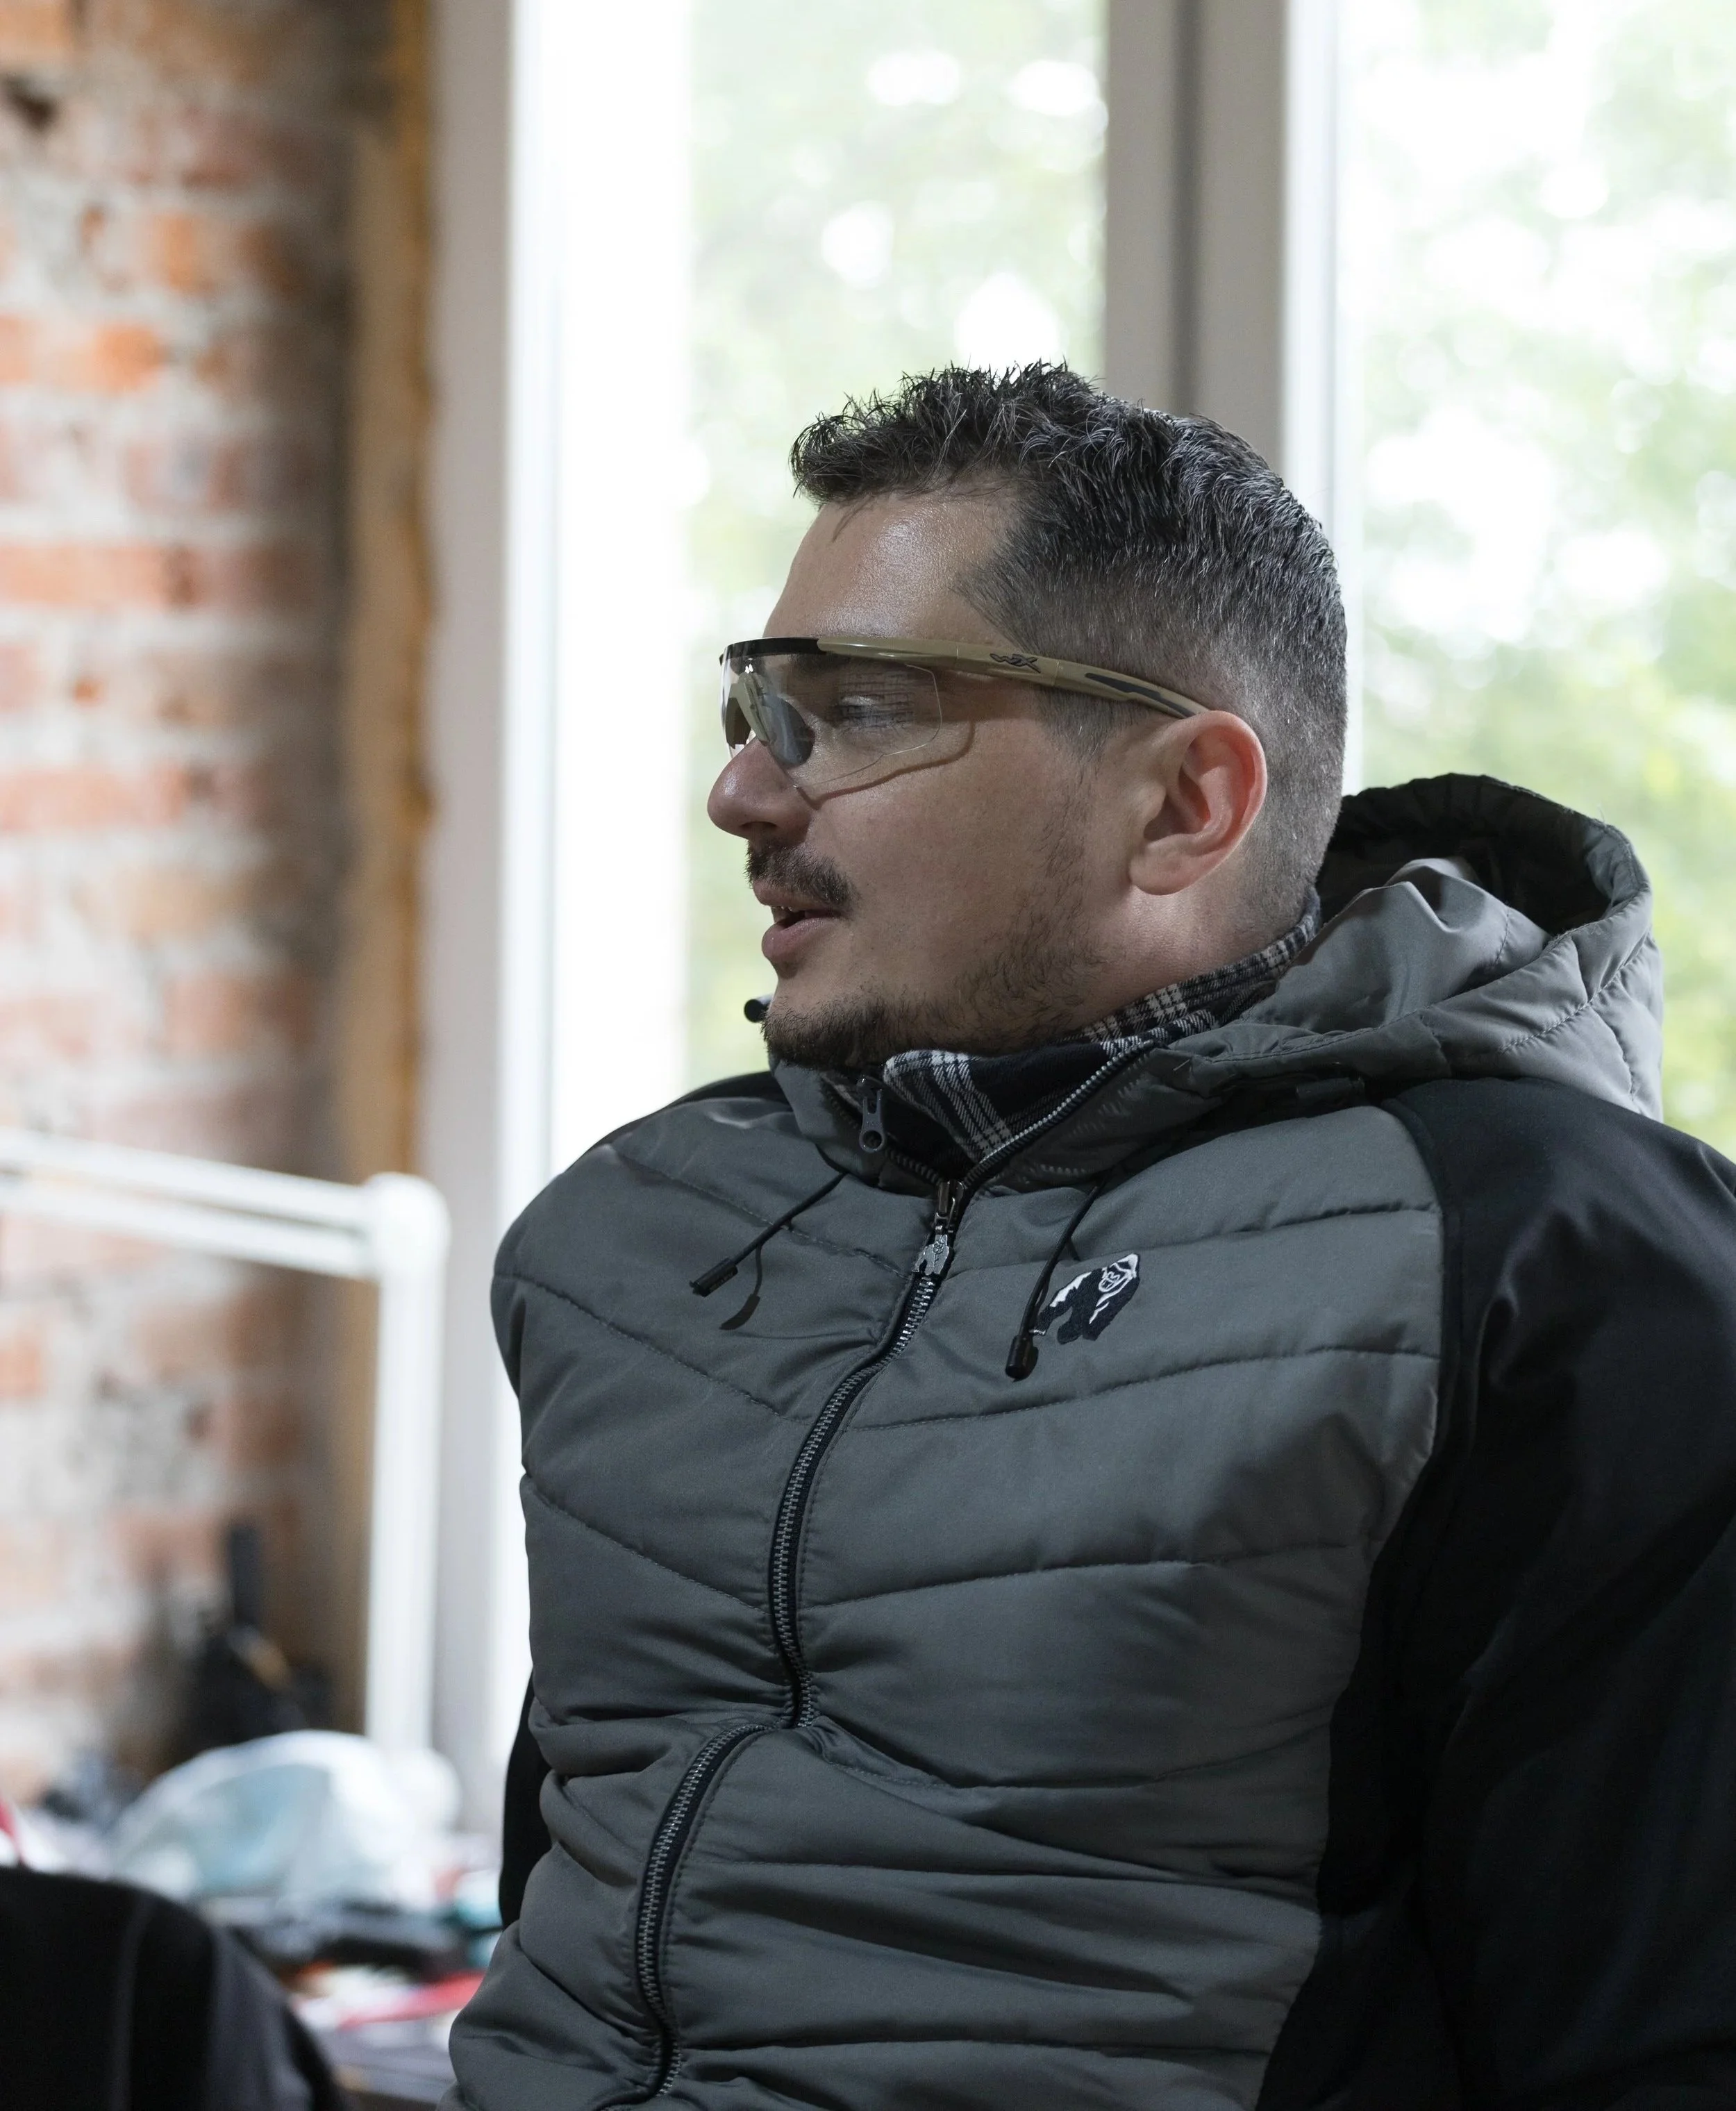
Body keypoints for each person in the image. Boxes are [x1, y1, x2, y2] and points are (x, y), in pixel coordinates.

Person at [447, 366, 1736, 2110]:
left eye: (854, 711)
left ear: (1183, 803)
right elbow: (571, 1914)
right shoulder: (640, 1232)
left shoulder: (1539, 1262)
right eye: (757, 709)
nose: (743, 793)